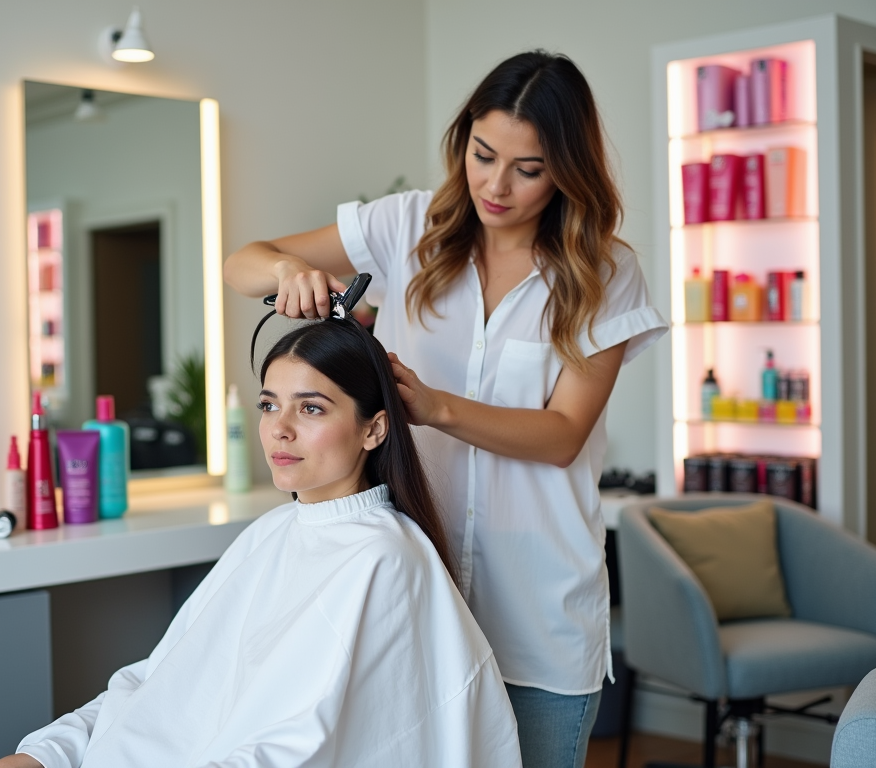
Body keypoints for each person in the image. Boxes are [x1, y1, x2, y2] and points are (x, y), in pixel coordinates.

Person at [224, 50, 668, 768]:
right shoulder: (407, 227)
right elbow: (243, 260)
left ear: (566, 171)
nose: (496, 185)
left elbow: (562, 436)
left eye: (528, 169)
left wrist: (434, 407)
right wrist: (284, 271)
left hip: (538, 622)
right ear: (464, 137)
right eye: (482, 153)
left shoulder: (603, 272)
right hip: (410, 605)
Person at [0, 316, 523, 768]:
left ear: (374, 429)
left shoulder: (383, 559)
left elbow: (298, 747)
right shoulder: (271, 532)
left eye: (311, 408)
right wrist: (48, 752)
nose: (279, 430)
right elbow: (158, 684)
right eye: (269, 405)